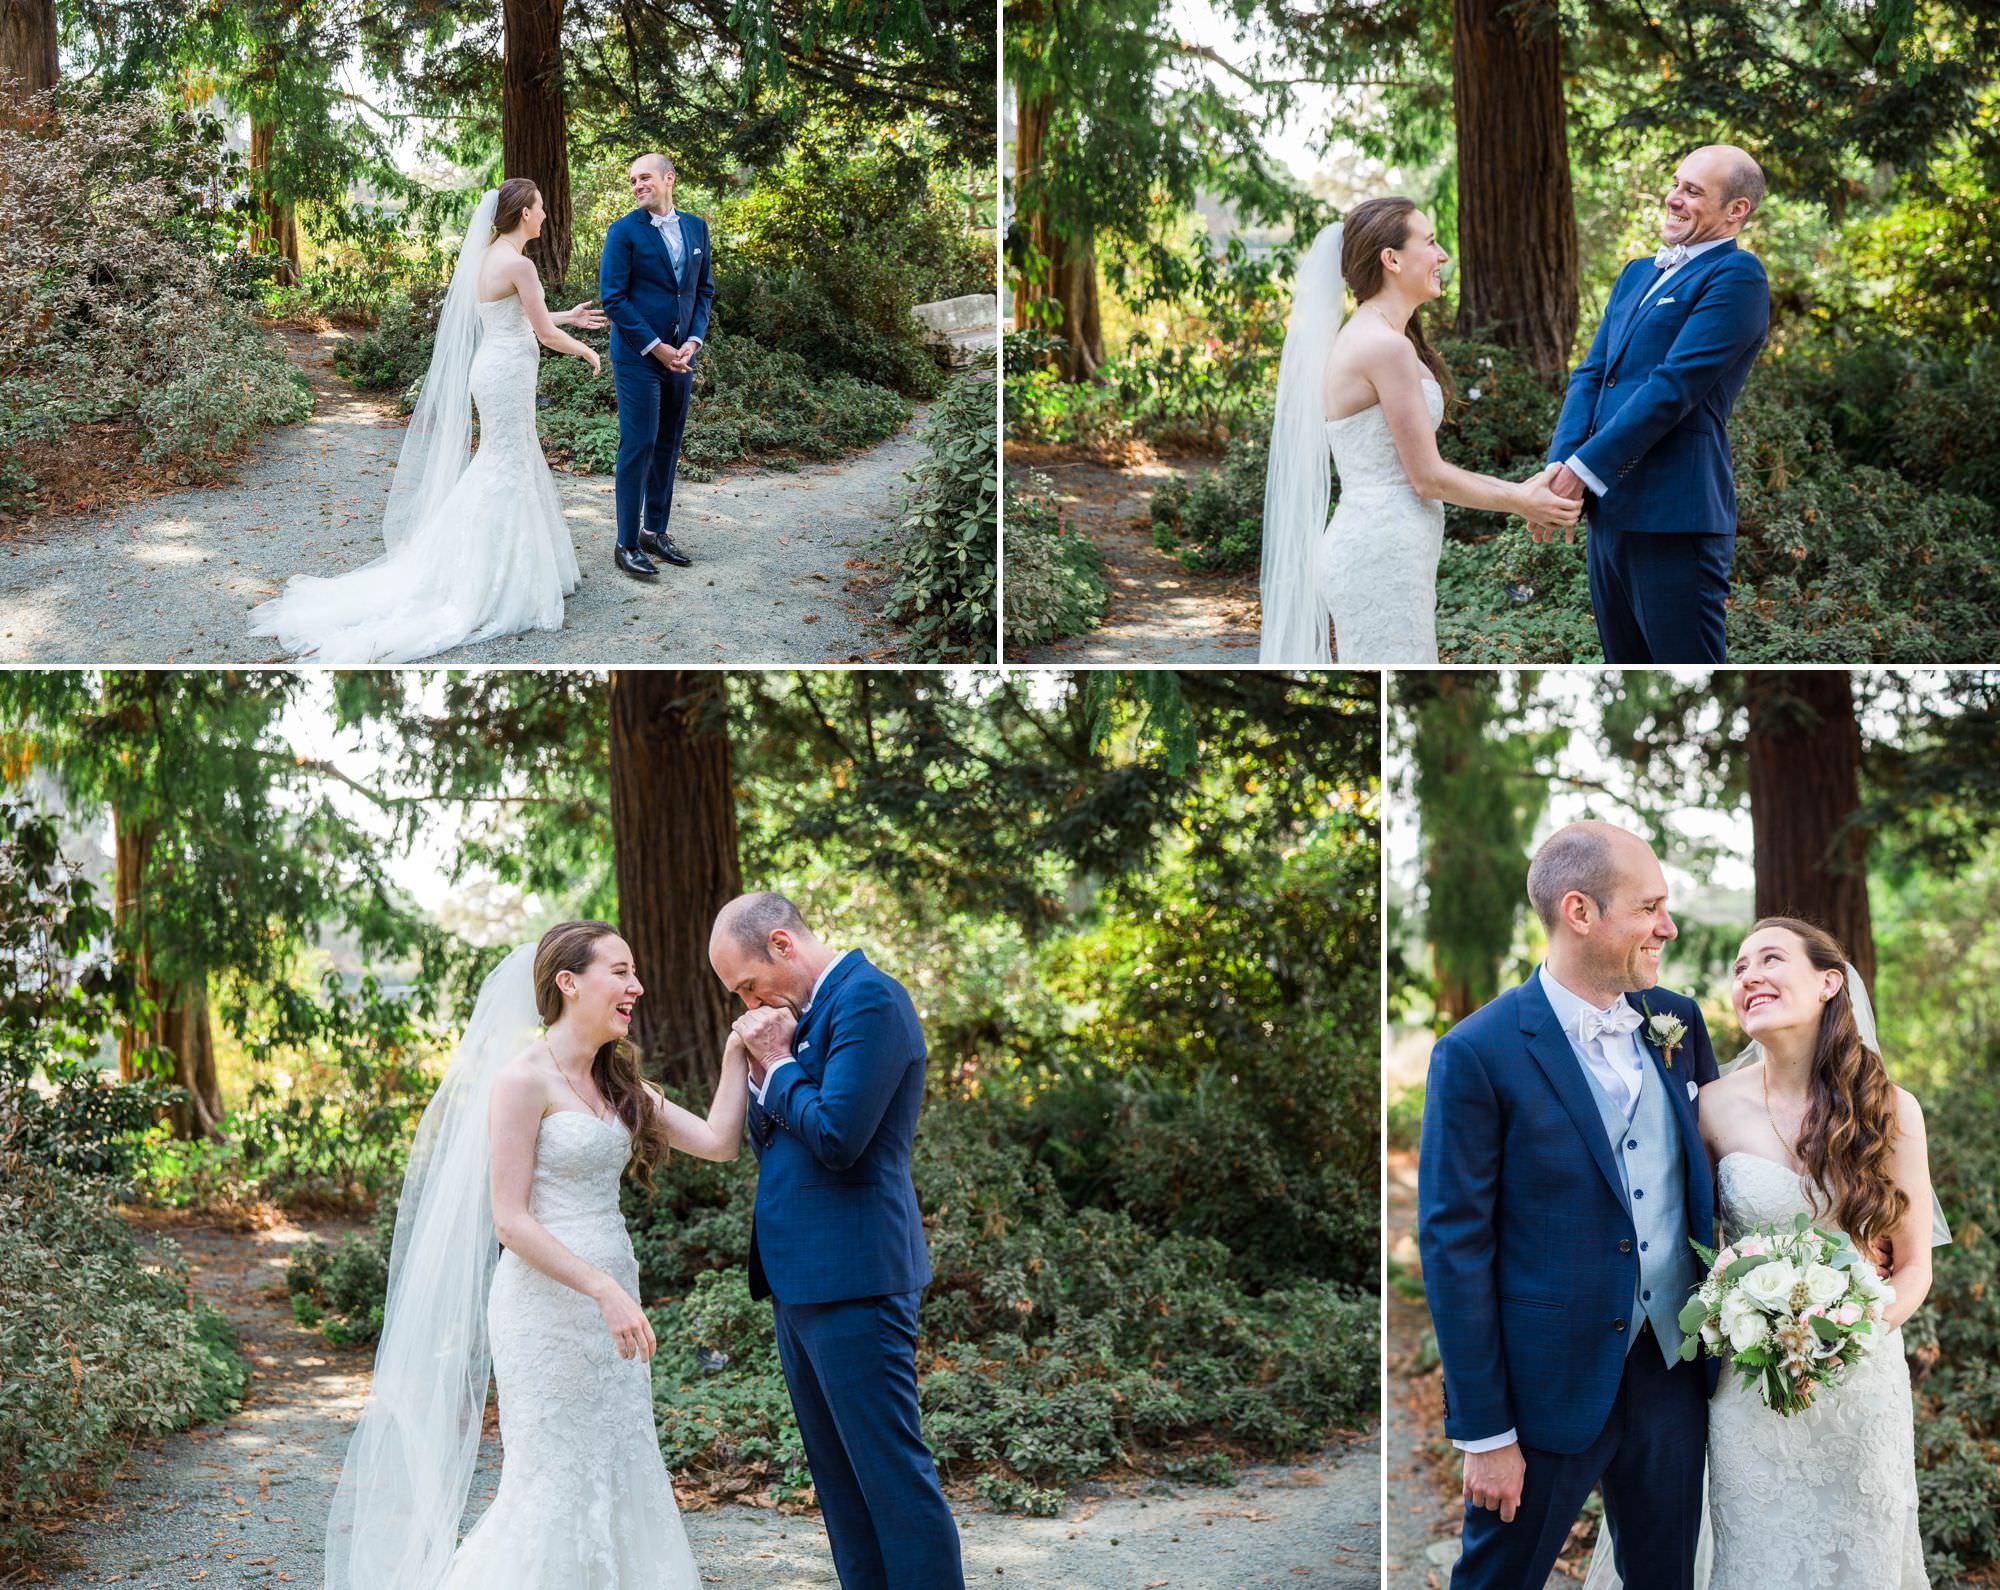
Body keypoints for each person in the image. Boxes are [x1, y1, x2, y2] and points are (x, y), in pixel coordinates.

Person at [251, 179, 603, 661]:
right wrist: (584, 349)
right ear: (524, 213)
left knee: (506, 460)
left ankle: (496, 564)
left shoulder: (486, 258)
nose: (545, 214)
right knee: (506, 465)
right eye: (541, 207)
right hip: (508, 373)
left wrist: (570, 317)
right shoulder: (520, 264)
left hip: (495, 370)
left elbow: (519, 317)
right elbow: (540, 331)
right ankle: (490, 577)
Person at [1258, 197, 1581, 664]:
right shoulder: (1383, 347)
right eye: (1429, 242)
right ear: (1392, 259)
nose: (1442, 255)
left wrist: (1520, 491)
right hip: (1380, 557)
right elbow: (1427, 477)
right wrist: (1520, 500)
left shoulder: (1380, 337)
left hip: (1387, 549)